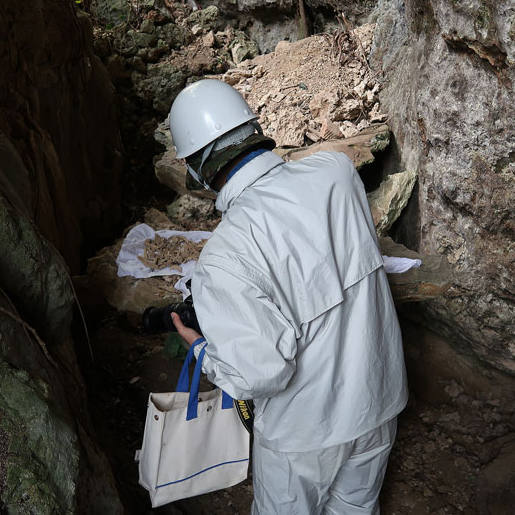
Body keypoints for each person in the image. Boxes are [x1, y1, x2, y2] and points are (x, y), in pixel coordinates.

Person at [167, 78, 408, 514]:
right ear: (253, 128)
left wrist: (201, 347)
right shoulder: (336, 172)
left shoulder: (224, 256)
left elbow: (260, 373)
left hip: (306, 433)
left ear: (200, 169)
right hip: (378, 399)